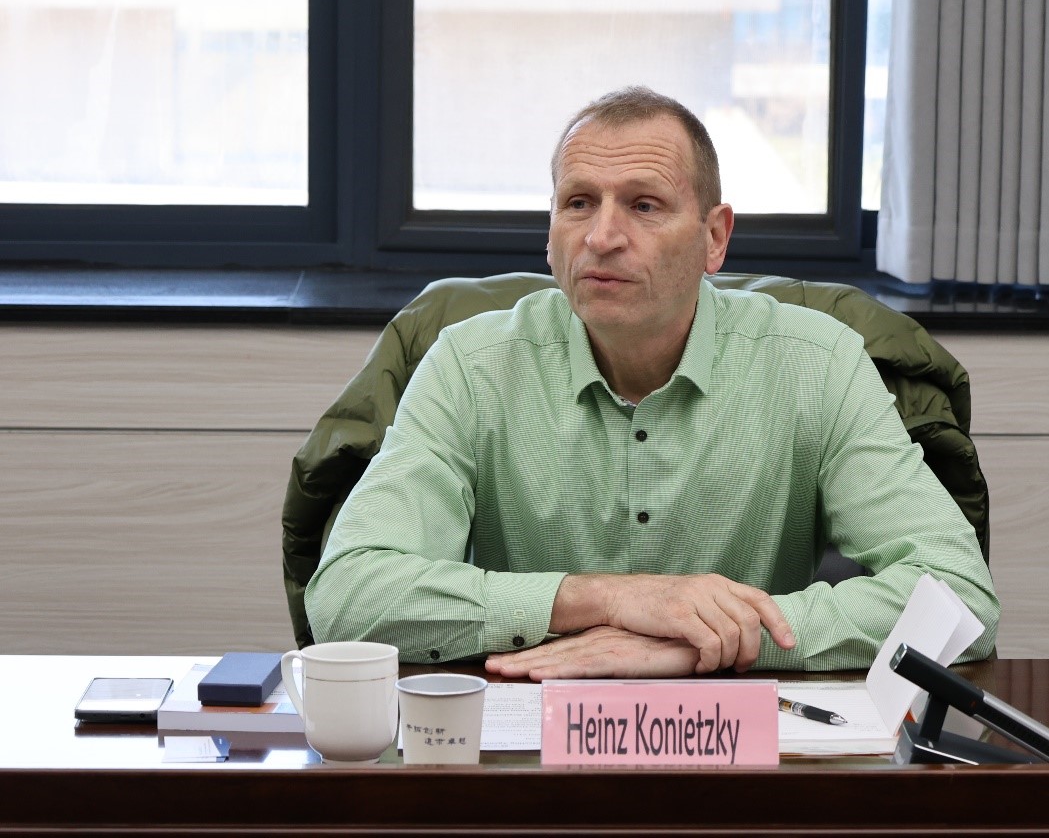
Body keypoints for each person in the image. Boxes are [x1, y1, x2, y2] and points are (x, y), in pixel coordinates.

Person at [306, 86, 998, 678]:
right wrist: (607, 598)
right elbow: (345, 595)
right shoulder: (469, 363)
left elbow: (959, 600)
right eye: (579, 203)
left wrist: (707, 641)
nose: (601, 236)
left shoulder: (818, 363)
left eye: (643, 205)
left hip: (743, 744)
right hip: (534, 738)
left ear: (714, 238)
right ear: (549, 232)